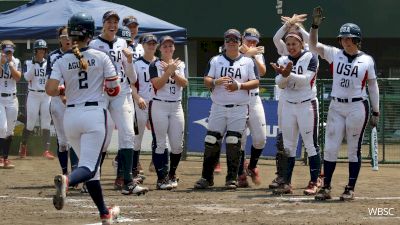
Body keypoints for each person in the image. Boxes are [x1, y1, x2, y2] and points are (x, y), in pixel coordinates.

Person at [46, 12, 120, 224]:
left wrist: (63, 88)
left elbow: (50, 89)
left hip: (71, 116)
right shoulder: (101, 56)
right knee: (87, 168)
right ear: (90, 34)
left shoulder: (62, 59)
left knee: (91, 171)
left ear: (71, 34)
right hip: (94, 115)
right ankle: (67, 180)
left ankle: (105, 213)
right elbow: (114, 90)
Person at [309, 6, 380, 201]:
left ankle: (350, 188)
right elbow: (313, 46)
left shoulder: (367, 60)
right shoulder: (335, 53)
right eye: (342, 38)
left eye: (348, 38)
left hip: (358, 106)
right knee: (330, 147)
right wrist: (314, 26)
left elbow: (373, 87)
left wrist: (376, 111)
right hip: (336, 106)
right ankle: (326, 187)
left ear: (357, 40)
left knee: (353, 149)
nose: (344, 41)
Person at [89, 10, 148, 195]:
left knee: (128, 133)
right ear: (103, 23)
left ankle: (127, 181)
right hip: (101, 93)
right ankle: (92, 177)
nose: (112, 25)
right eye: (109, 22)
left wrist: (129, 60)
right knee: (101, 137)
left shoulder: (122, 43)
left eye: (115, 22)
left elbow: (132, 76)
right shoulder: (93, 45)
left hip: (121, 92)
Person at [194, 29, 259, 190]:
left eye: (235, 39)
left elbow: (256, 82)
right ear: (224, 42)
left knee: (233, 141)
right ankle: (206, 177)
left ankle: (232, 178)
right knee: (211, 141)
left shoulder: (248, 62)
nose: (231, 42)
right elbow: (206, 80)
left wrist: (239, 86)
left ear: (240, 42)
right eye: (228, 39)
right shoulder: (216, 60)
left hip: (239, 108)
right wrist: (215, 82)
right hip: (218, 107)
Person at [270, 23, 321, 195]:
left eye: (294, 44)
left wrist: (287, 75)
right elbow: (280, 84)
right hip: (289, 106)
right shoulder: (283, 59)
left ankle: (314, 181)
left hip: (307, 105)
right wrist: (284, 76)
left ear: (301, 44)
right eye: (289, 44)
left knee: (311, 145)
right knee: (289, 147)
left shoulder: (311, 57)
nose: (291, 47)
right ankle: (286, 182)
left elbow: (306, 80)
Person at [148, 35, 187, 190]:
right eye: (165, 46)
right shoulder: (154, 64)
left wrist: (173, 72)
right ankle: (161, 178)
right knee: (160, 143)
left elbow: (184, 83)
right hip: (159, 105)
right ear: (160, 48)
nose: (168, 49)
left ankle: (172, 173)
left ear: (174, 48)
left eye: (170, 46)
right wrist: (167, 72)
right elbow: (157, 84)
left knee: (177, 145)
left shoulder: (180, 64)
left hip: (176, 106)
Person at [47, 26, 79, 175]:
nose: (67, 39)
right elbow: (51, 80)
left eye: (69, 36)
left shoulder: (80, 54)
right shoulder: (53, 56)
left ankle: (75, 173)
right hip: (58, 101)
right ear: (59, 39)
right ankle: (65, 173)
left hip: (76, 100)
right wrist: (61, 93)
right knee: (63, 142)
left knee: (75, 138)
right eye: (63, 37)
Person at [236, 28, 267, 187]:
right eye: (249, 40)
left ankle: (252, 166)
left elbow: (262, 72)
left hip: (254, 99)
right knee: (240, 140)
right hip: (239, 99)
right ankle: (240, 172)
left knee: (261, 138)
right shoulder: (235, 51)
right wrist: (246, 53)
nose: (252, 43)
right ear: (242, 38)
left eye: (255, 41)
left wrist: (253, 54)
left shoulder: (257, 53)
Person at [18, 39, 55, 160]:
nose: (41, 52)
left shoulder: (49, 63)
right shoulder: (29, 62)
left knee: (46, 121)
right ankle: (23, 146)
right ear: (35, 51)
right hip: (33, 94)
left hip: (46, 95)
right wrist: (34, 64)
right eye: (39, 50)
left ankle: (46, 150)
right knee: (30, 122)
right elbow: (27, 77)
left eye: (43, 50)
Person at [132, 34, 158, 182]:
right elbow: (132, 86)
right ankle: (134, 168)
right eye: (149, 43)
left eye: (154, 43)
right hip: (140, 104)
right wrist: (138, 98)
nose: (151, 45)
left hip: (157, 103)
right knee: (137, 137)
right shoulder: (136, 64)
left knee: (158, 136)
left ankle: (157, 164)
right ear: (142, 45)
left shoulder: (160, 63)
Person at [0, 40, 22, 169]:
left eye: (10, 51)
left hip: (12, 98)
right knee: (1, 128)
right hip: (0, 98)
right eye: (6, 51)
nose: (8, 53)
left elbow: (18, 77)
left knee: (9, 131)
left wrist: (10, 64)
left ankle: (5, 158)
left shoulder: (16, 60)